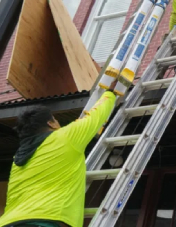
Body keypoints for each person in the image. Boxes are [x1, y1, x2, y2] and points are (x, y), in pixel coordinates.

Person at [0, 91, 118, 227]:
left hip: (8, 222)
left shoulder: (18, 158)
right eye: (56, 120)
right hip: (45, 221)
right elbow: (97, 116)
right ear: (51, 123)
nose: (58, 123)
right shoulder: (66, 137)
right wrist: (110, 93)